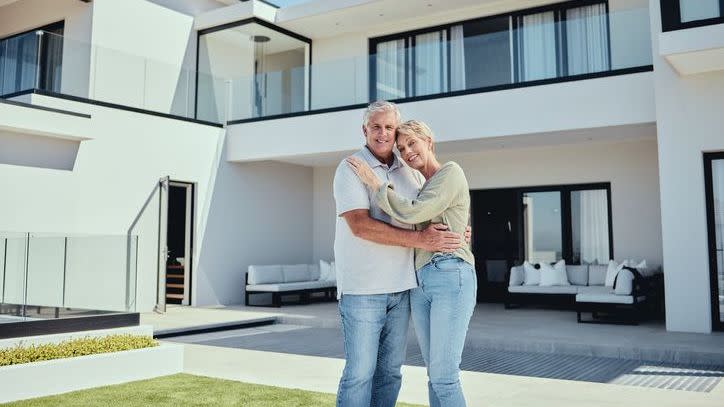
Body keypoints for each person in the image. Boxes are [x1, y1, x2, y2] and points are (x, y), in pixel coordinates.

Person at [333, 101, 468, 407]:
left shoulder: (410, 170)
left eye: (389, 128)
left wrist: (459, 231)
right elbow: (360, 226)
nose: (383, 134)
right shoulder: (351, 168)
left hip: (404, 289)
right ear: (364, 129)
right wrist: (420, 239)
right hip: (363, 290)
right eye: (376, 127)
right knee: (359, 374)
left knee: (391, 374)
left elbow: (429, 213)